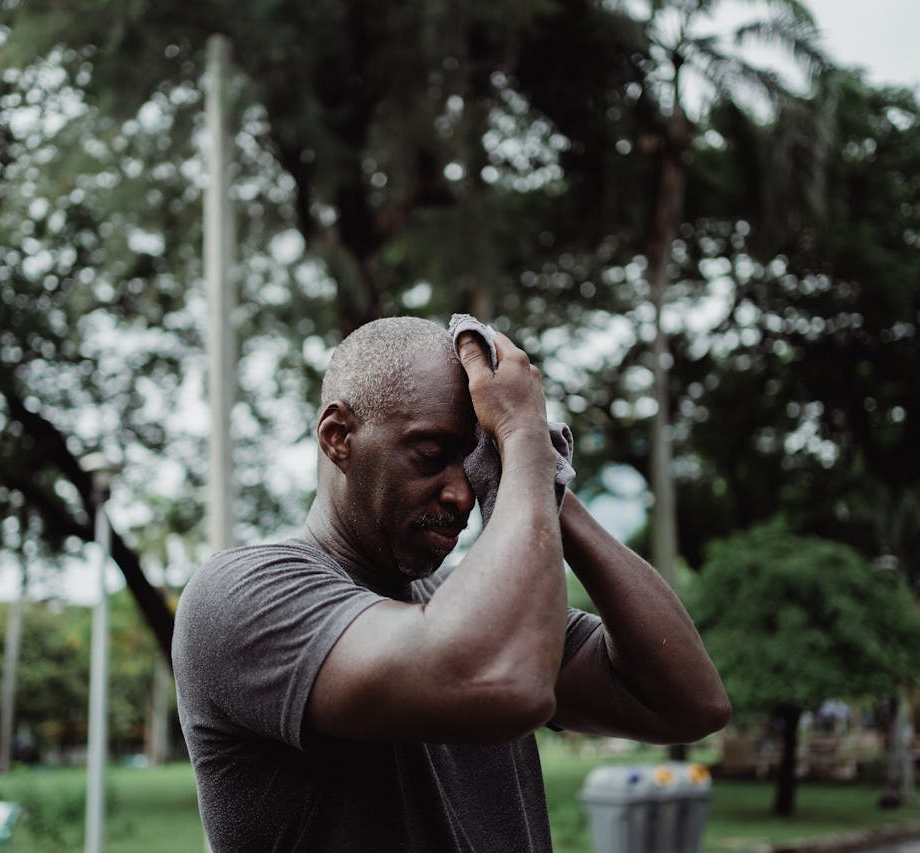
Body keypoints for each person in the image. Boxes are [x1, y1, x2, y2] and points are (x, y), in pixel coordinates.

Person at [172, 316, 730, 851]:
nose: (462, 495)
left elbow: (688, 703)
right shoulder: (242, 594)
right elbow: (503, 684)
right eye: (432, 456)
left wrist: (541, 476)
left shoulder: (473, 608)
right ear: (338, 436)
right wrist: (522, 440)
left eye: (476, 465)